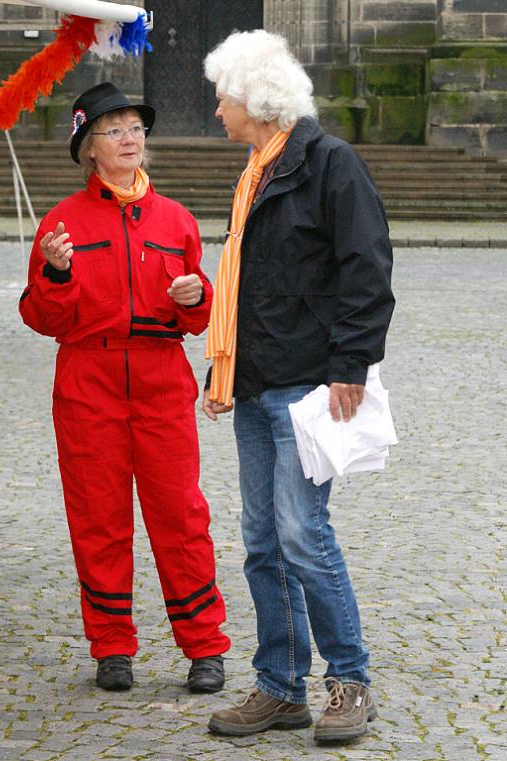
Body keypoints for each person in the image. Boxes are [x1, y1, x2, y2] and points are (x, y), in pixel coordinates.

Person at [200, 31, 395, 742]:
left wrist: (351, 364)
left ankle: (350, 680)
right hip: (256, 383)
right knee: (261, 540)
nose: (216, 109)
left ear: (255, 99)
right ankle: (281, 687)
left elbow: (367, 269)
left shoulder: (328, 163)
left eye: (222, 95)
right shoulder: (256, 169)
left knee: (302, 534)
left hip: (310, 384)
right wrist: (222, 370)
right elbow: (245, 285)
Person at [19, 82, 231, 692]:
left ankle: (204, 646)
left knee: (181, 514)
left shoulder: (176, 220)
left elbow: (196, 315)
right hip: (89, 378)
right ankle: (111, 646)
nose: (131, 137)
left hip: (162, 378)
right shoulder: (61, 223)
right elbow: (41, 317)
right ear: (89, 148)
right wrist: (57, 273)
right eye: (115, 130)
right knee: (98, 516)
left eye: (136, 127)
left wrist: (198, 298)